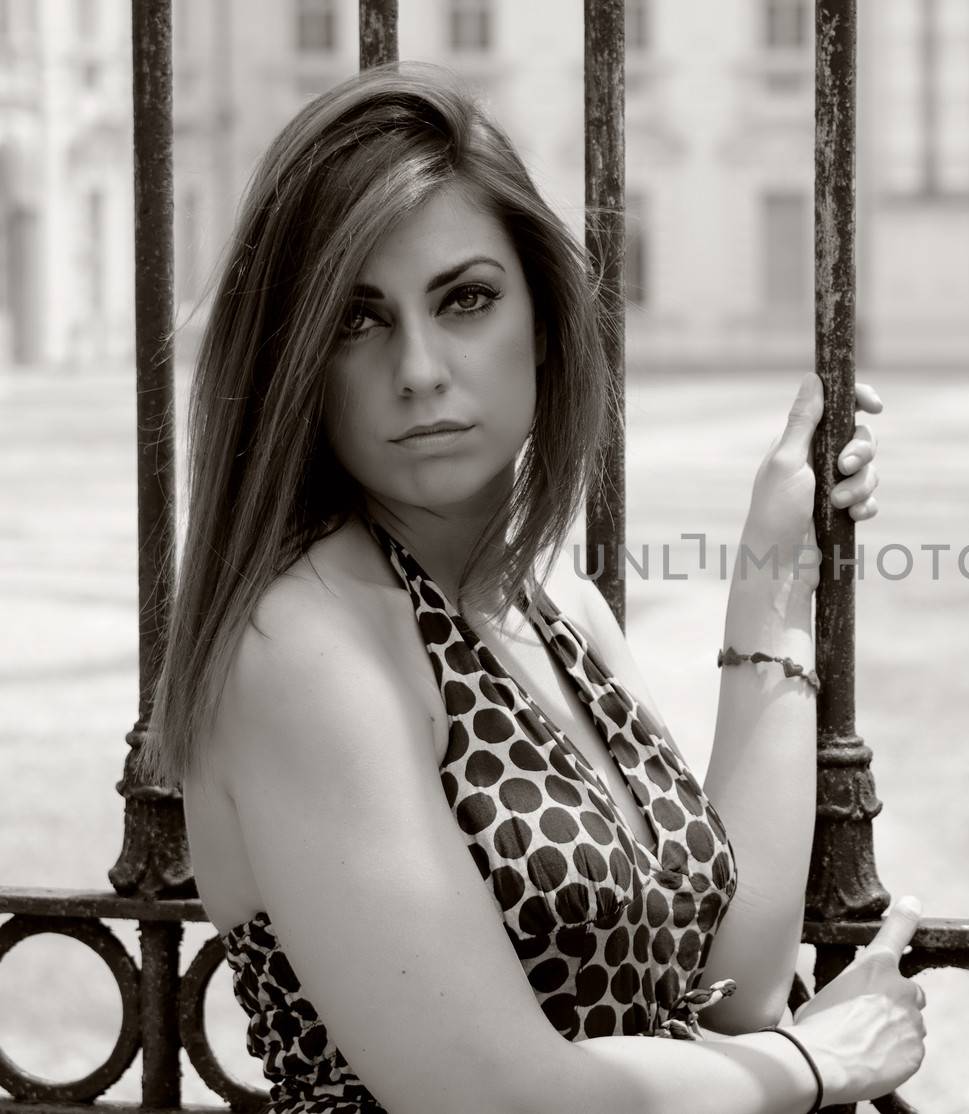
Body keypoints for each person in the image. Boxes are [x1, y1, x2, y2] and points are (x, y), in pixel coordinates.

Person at [140, 63, 925, 1114]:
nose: (419, 368)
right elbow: (486, 1091)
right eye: (356, 320)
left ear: (546, 324)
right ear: (295, 362)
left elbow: (725, 984)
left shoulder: (560, 609)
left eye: (464, 299)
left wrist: (774, 578)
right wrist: (825, 1061)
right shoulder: (303, 641)